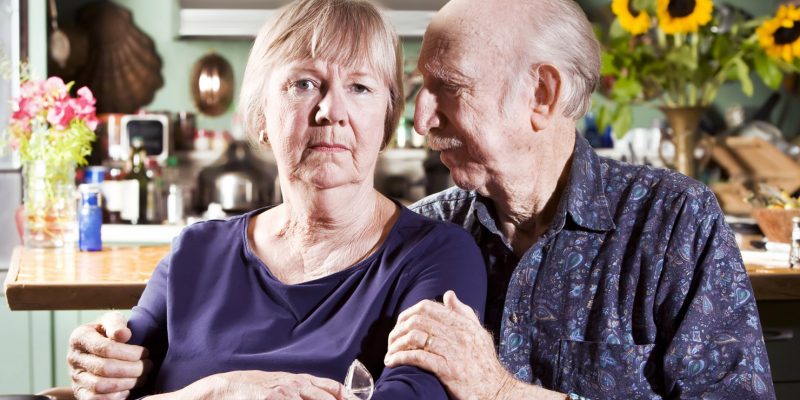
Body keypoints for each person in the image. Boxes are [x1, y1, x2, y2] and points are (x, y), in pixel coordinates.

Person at [65, 0, 486, 399]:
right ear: (262, 116)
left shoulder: (437, 257)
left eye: (359, 87)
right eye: (304, 84)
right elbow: (111, 373)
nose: (331, 111)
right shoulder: (195, 253)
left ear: (387, 122)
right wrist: (106, 363)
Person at [382, 0, 775, 399]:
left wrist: (499, 391)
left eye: (450, 87)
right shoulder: (425, 231)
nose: (421, 120)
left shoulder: (675, 222)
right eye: (422, 89)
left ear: (542, 94)